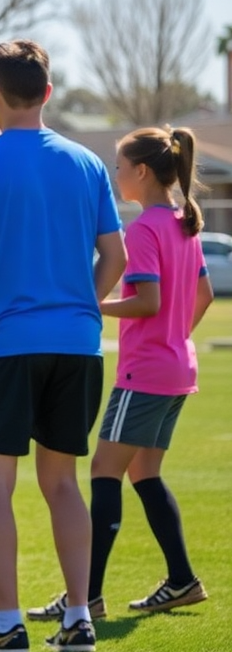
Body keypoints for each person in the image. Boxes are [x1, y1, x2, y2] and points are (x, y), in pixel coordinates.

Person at [0, 40, 126, 652]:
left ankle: (6, 626)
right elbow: (116, 257)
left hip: (6, 346)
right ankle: (78, 619)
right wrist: (78, 307)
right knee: (63, 483)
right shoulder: (88, 163)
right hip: (78, 346)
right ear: (48, 92)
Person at [28, 127, 214, 625]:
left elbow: (148, 301)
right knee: (144, 473)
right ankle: (182, 581)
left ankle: (85, 597)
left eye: (118, 166)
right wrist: (176, 338)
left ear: (142, 172)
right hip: (177, 368)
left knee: (103, 472)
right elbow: (204, 296)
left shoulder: (146, 229)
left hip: (146, 372)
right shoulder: (183, 222)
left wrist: (94, 305)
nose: (115, 174)